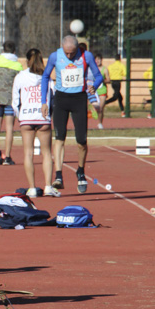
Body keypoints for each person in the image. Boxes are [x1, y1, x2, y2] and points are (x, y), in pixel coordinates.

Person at [41, 35, 103, 193]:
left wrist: (94, 86)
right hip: (61, 99)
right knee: (59, 138)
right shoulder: (55, 56)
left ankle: (81, 171)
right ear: (62, 48)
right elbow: (45, 76)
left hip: (79, 99)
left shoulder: (86, 55)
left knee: (81, 141)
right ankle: (58, 175)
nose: (69, 56)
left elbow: (99, 76)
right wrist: (44, 101)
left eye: (72, 53)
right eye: (66, 53)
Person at [12, 48, 60, 198]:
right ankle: (47, 186)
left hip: (26, 117)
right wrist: (49, 116)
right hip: (42, 117)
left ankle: (32, 188)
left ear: (27, 61)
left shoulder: (20, 76)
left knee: (28, 153)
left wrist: (19, 116)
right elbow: (53, 96)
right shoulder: (46, 76)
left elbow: (14, 100)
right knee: (46, 153)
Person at [0, 41, 23, 165]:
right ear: (14, 51)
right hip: (10, 100)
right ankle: (7, 157)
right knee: (9, 128)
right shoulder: (17, 66)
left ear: (3, 49)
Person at [91, 54, 110, 129]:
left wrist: (102, 80)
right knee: (95, 108)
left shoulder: (104, 69)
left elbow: (109, 80)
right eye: (96, 59)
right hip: (93, 91)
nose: (97, 61)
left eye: (99, 59)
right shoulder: (91, 69)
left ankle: (100, 123)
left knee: (101, 108)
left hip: (102, 90)